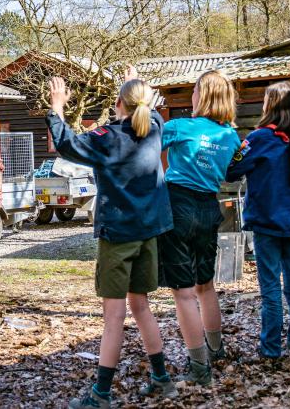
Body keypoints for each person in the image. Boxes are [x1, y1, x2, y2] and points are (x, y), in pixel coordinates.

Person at [47, 68, 177, 408]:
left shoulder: (107, 137)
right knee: (142, 306)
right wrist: (134, 83)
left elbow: (66, 144)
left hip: (118, 235)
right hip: (148, 233)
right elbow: (149, 109)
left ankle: (101, 395)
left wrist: (57, 106)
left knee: (114, 317)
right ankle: (161, 379)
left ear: (118, 103)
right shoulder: (155, 128)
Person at [226, 81, 290, 359]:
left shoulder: (258, 138)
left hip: (266, 223)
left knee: (270, 287)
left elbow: (232, 171)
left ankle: (270, 348)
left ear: (270, 105)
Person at [159, 71, 240, 384]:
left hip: (178, 207)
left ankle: (198, 368)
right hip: (209, 207)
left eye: (194, 90)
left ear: (202, 95)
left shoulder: (179, 126)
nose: (191, 95)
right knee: (206, 286)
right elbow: (233, 168)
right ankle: (216, 351)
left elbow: (144, 143)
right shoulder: (231, 136)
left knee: (183, 293)